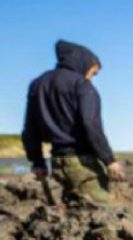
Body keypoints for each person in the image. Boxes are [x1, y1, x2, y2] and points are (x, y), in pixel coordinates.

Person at [22, 40, 125, 206]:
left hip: (57, 163)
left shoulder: (37, 84)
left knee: (73, 211)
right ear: (84, 64)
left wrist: (37, 162)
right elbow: (91, 125)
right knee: (103, 212)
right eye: (94, 73)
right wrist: (109, 160)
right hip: (82, 163)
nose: (92, 78)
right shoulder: (82, 85)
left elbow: (30, 129)